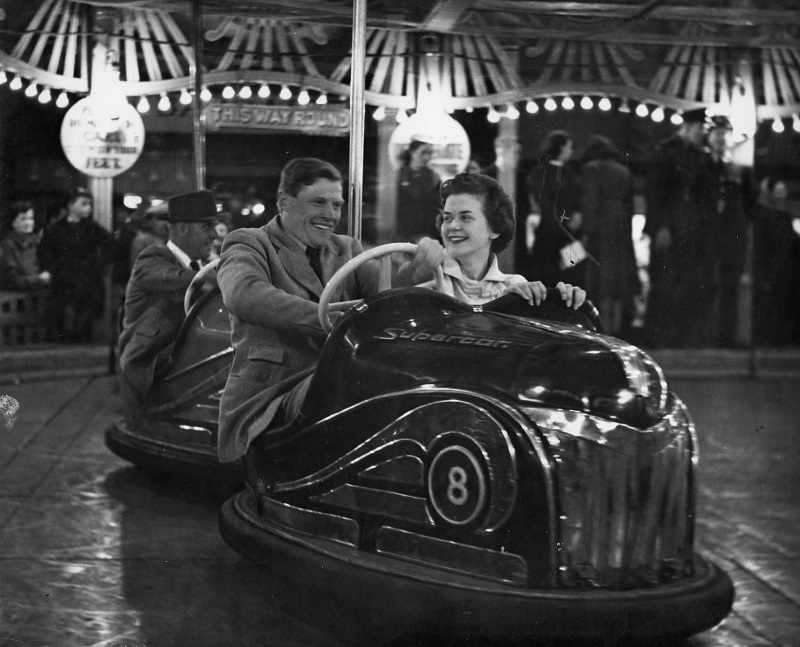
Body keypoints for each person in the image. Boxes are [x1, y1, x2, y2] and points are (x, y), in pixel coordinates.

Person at [216, 158, 444, 463]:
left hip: (337, 375)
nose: (331, 214)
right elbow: (244, 294)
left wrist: (417, 271)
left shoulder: (345, 248)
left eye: (337, 205)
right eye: (319, 202)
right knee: (351, 388)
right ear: (285, 202)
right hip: (274, 389)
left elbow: (384, 290)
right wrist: (334, 323)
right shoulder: (249, 243)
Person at [118, 189, 220, 421]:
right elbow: (182, 280)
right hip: (146, 372)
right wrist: (222, 275)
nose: (214, 235)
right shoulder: (152, 258)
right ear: (182, 228)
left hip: (183, 370)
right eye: (207, 227)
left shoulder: (201, 266)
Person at [416, 172, 586, 308]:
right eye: (447, 218)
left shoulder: (515, 286)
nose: (453, 226)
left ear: (495, 229)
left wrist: (564, 303)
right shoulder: (427, 272)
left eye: (465, 217)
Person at [643, 108, 714, 347]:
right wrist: (660, 226)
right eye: (700, 129)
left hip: (689, 226)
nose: (702, 134)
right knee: (664, 282)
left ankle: (678, 336)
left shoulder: (696, 154)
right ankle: (660, 335)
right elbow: (654, 192)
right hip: (671, 224)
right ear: (689, 127)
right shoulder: (666, 150)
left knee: (684, 282)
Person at [579, 135, 640, 337]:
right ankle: (616, 330)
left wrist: (588, 232)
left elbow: (591, 203)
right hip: (621, 231)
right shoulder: (624, 171)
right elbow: (630, 206)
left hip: (600, 232)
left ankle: (600, 330)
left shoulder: (591, 169)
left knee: (600, 284)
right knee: (617, 285)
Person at [38, 188, 113, 342]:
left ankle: (80, 336)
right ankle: (67, 336)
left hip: (87, 276)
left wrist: (99, 264)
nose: (89, 208)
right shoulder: (55, 230)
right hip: (63, 277)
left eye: (90, 204)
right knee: (67, 304)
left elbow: (111, 244)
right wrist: (49, 271)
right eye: (84, 204)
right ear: (71, 205)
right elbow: (44, 254)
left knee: (87, 303)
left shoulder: (92, 228)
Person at [705, 115, 753, 347]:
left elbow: (749, 202)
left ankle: (727, 337)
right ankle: (706, 336)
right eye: (718, 133)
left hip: (732, 234)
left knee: (729, 288)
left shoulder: (740, 167)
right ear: (710, 137)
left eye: (725, 133)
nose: (722, 138)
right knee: (706, 284)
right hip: (707, 234)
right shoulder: (703, 163)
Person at [519, 130, 584, 288]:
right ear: (560, 148)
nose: (571, 151)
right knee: (549, 279)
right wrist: (570, 218)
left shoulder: (569, 173)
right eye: (569, 147)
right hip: (549, 234)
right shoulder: (540, 173)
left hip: (567, 235)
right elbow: (543, 204)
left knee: (571, 279)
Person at [395, 139, 441, 242]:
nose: (427, 157)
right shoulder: (400, 175)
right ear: (412, 153)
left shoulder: (433, 177)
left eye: (429, 153)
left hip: (428, 234)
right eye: (423, 152)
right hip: (404, 233)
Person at [0, 201, 51, 291]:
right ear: (13, 222)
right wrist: (39, 279)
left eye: (31, 218)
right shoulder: (7, 245)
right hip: (18, 299)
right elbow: (11, 279)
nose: (28, 223)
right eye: (23, 219)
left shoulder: (37, 241)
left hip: (40, 294)